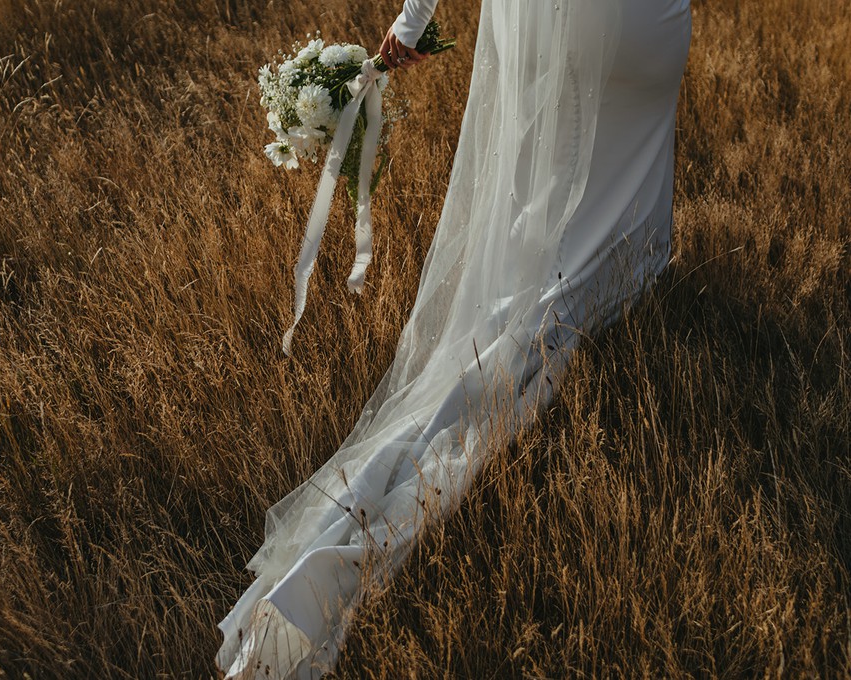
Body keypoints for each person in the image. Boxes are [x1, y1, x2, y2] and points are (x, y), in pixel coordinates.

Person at [217, 0, 692, 677]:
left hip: (548, 22)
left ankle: (547, 302)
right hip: (644, 23)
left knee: (548, 188)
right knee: (623, 160)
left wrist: (409, 26)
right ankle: (610, 283)